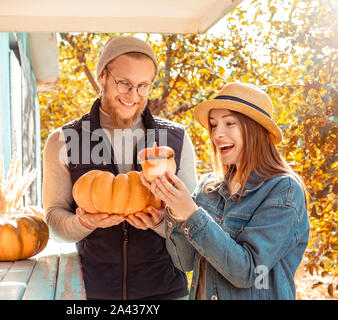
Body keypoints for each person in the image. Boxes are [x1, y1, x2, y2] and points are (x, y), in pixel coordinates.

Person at [42, 36, 198, 300]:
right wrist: (83, 223)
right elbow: (54, 221)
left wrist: (161, 224)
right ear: (102, 75)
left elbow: (194, 226)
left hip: (166, 292)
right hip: (93, 293)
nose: (133, 96)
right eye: (124, 83)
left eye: (143, 86)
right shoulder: (64, 140)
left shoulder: (176, 140)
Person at [142, 82, 310, 300]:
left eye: (229, 123)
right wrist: (173, 213)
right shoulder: (208, 187)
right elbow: (185, 262)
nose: (217, 134)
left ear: (255, 130)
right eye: (213, 125)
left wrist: (191, 214)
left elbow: (247, 272)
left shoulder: (283, 190)